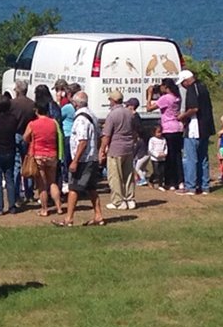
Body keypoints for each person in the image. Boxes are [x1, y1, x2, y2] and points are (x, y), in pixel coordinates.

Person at [56, 93, 106, 228]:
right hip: (92, 157)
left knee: (73, 188)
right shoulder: (93, 116)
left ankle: (69, 218)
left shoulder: (80, 119)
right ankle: (98, 215)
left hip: (83, 160)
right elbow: (100, 136)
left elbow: (82, 141)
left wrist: (75, 161)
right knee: (91, 188)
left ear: (76, 104)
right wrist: (99, 152)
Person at [23, 100, 62, 218]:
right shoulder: (54, 122)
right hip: (52, 155)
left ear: (36, 111)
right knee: (53, 182)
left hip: (38, 155)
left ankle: (44, 209)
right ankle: (59, 207)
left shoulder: (32, 124)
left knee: (42, 185)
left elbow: (25, 137)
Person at [178, 68, 214, 195]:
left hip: (195, 128)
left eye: (182, 83)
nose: (183, 86)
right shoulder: (203, 87)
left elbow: (194, 108)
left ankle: (191, 186)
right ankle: (204, 186)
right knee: (203, 157)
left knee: (190, 158)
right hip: (206, 128)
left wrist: (182, 117)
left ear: (187, 81)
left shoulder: (192, 89)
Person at [101, 91, 137, 211]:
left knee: (115, 176)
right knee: (128, 175)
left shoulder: (112, 115)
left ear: (113, 100)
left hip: (115, 148)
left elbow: (106, 135)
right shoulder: (129, 113)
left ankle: (118, 201)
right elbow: (134, 131)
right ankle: (130, 199)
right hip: (128, 147)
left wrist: (102, 150)